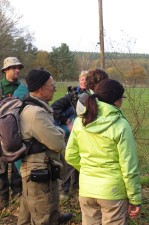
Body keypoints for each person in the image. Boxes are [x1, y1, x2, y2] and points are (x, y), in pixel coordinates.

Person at [65, 79, 142, 225]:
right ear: (117, 101)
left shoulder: (80, 121)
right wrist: (135, 199)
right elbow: (129, 167)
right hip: (112, 192)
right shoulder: (121, 125)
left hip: (86, 189)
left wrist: (89, 170)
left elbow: (70, 155)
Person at [18, 68, 72, 224]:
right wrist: (64, 130)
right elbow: (57, 143)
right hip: (40, 175)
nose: (54, 88)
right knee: (45, 217)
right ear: (41, 89)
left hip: (34, 172)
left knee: (27, 217)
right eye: (52, 85)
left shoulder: (30, 106)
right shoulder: (36, 113)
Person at [51, 71, 88, 198]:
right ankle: (64, 189)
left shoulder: (92, 95)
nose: (84, 81)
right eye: (82, 79)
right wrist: (66, 121)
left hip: (85, 132)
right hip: (71, 132)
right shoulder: (72, 95)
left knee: (82, 157)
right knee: (71, 158)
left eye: (87, 79)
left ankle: (76, 186)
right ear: (79, 80)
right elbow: (54, 108)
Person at [0, 57, 24, 210]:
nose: (17, 70)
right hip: (1, 133)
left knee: (17, 166)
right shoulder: (0, 86)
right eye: (13, 68)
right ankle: (3, 202)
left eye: (18, 68)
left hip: (17, 132)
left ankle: (17, 199)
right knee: (1, 169)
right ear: (5, 70)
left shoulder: (23, 87)